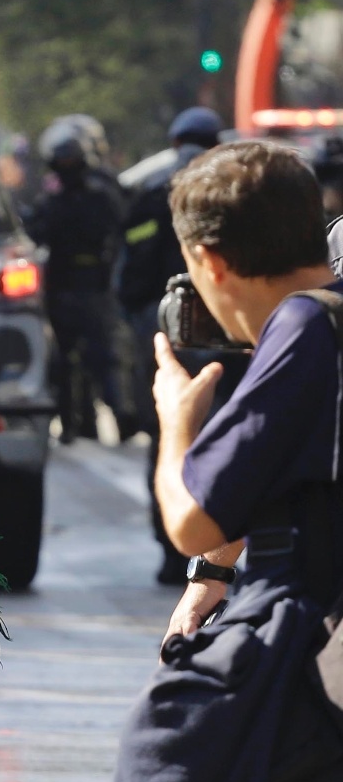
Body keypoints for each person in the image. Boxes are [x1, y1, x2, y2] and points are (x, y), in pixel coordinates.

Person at [144, 140, 343, 782]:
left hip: (326, 741)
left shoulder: (305, 334)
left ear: (211, 261)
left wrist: (178, 420)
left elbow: (197, 509)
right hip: (315, 722)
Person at [119, 106, 221, 584]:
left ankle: (173, 551)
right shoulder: (235, 195)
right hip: (224, 340)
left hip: (166, 339)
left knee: (169, 438)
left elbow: (131, 274)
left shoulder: (153, 193)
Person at [27, 131, 126, 442]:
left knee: (87, 359)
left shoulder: (62, 202)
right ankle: (92, 420)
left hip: (81, 287)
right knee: (90, 358)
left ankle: (97, 420)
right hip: (81, 287)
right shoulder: (95, 199)